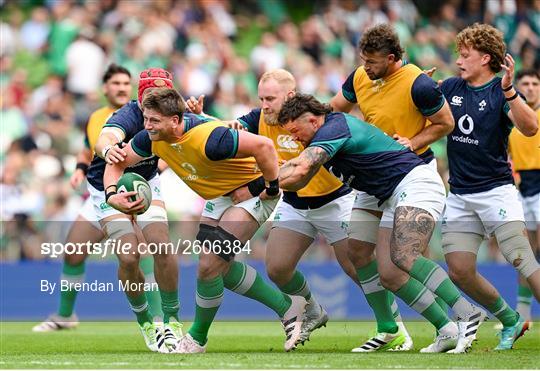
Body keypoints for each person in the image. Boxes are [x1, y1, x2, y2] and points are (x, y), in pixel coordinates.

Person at [276, 93, 486, 354]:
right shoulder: (321, 135)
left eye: (295, 130)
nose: (294, 137)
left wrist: (270, 176)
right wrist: (277, 178)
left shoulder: (332, 128)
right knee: (363, 256)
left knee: (404, 255)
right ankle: (422, 328)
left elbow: (299, 170)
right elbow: (298, 182)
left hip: (412, 180)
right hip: (377, 193)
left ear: (313, 119)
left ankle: (468, 312)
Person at [103, 88, 307, 354]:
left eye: (154, 120)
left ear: (175, 120)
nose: (147, 126)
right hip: (219, 195)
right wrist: (111, 196)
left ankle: (197, 338)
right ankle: (288, 307)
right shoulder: (151, 138)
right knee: (219, 268)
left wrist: (268, 188)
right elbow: (116, 163)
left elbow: (264, 146)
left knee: (209, 264)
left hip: (249, 191)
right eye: (145, 118)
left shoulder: (210, 138)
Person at [329, 23, 455, 351]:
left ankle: (452, 322)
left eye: (371, 62)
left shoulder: (420, 84)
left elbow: (446, 123)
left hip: (411, 172)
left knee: (402, 261)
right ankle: (391, 327)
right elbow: (332, 111)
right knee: (357, 250)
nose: (365, 67)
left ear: (390, 58)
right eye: (362, 60)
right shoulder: (360, 78)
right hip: (373, 175)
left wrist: (411, 142)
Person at [32, 64, 163, 332]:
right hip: (99, 189)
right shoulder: (97, 118)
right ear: (105, 88)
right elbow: (87, 150)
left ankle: (159, 320)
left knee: (138, 251)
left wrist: (156, 169)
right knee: (73, 252)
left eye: (126, 83)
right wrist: (80, 170)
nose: (122, 88)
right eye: (116, 83)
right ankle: (65, 316)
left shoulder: (150, 115)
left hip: (134, 187)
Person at [439, 23, 540, 350]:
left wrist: (511, 91)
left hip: (496, 191)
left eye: (465, 55)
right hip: (459, 195)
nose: (458, 61)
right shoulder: (451, 86)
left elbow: (530, 127)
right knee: (459, 270)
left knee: (522, 259)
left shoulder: (502, 90)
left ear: (485, 58)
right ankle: (510, 319)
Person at [86, 68, 190, 353]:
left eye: (161, 94)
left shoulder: (175, 112)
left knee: (161, 246)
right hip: (109, 185)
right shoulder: (128, 115)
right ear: (139, 95)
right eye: (149, 96)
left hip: (146, 181)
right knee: (129, 255)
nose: (154, 100)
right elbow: (105, 137)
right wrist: (108, 151)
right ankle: (146, 322)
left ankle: (171, 321)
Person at [508, 69, 540, 324]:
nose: (530, 88)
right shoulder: (511, 116)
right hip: (521, 189)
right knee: (524, 253)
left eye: (534, 84)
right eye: (525, 84)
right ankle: (524, 314)